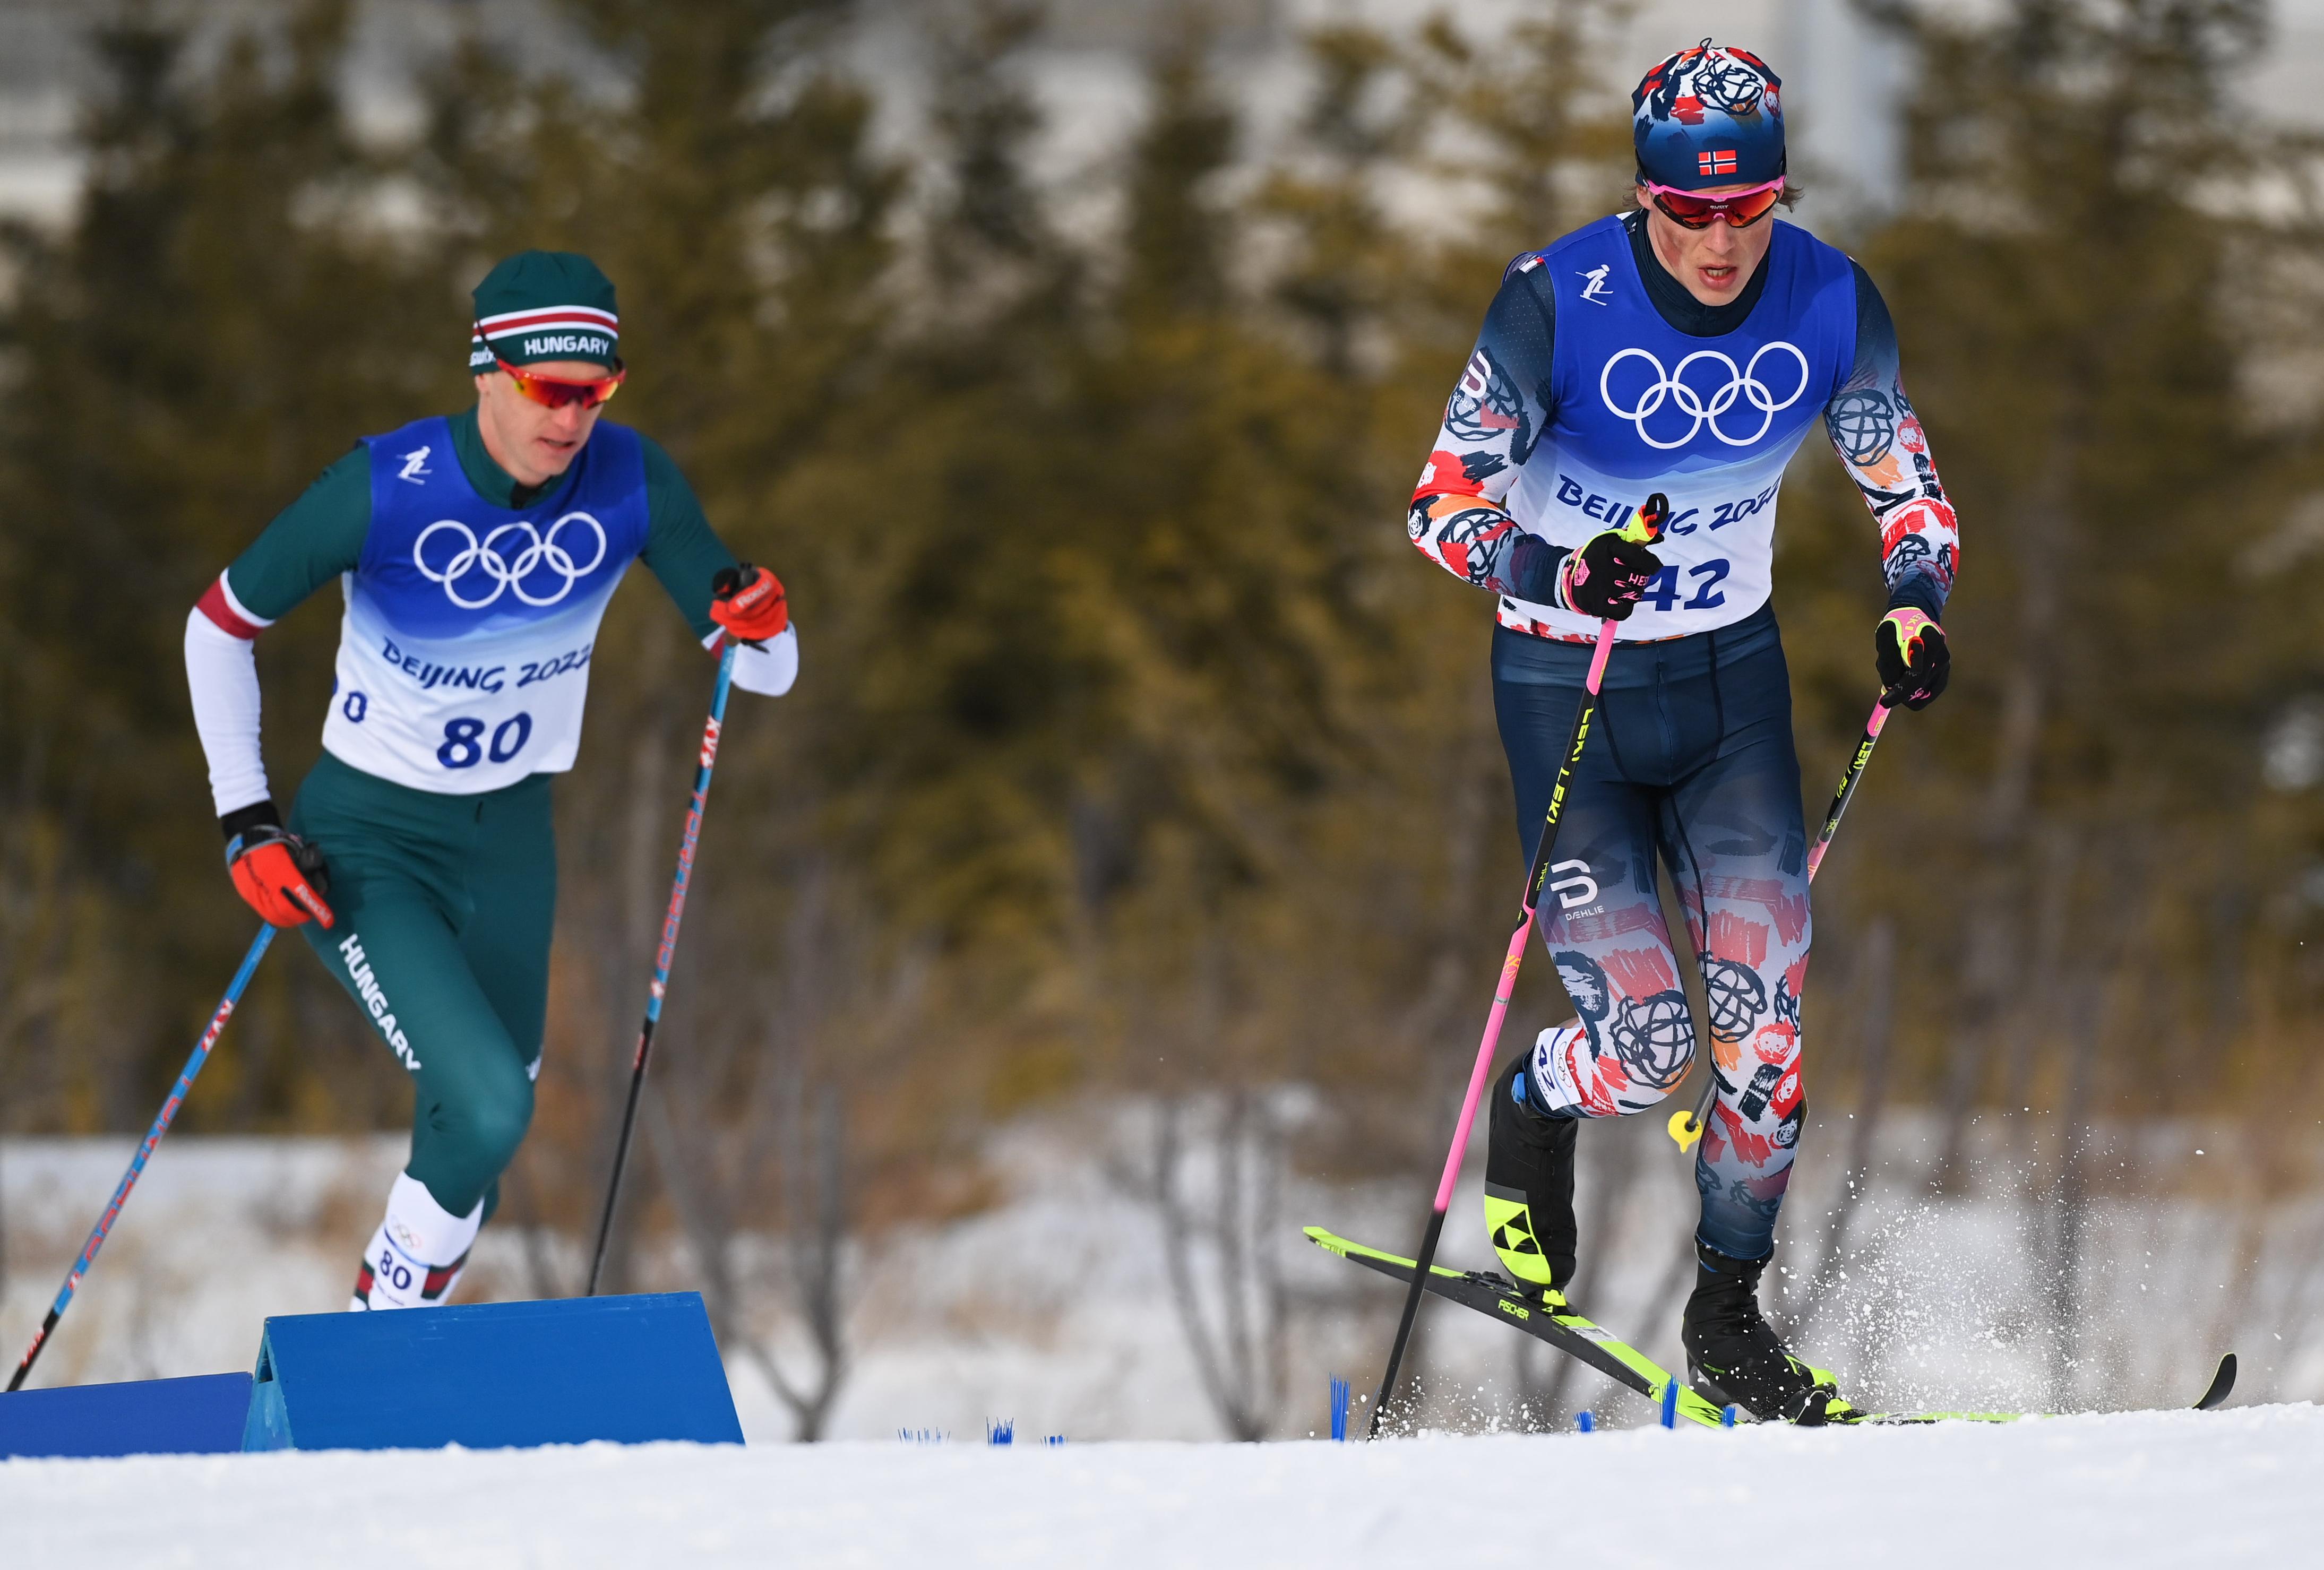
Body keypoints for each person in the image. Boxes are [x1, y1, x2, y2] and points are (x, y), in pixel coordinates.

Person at [1406, 42, 1956, 1422]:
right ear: (1643, 196)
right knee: (1647, 1047)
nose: (1720, 242)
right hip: (1569, 691)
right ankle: (1539, 1104)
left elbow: (1907, 481)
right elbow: (1439, 504)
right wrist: (1553, 571)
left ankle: (1726, 1311)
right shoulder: (1554, 302)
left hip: (1729, 694)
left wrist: (1914, 600)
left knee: (1765, 1044)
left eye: (1748, 208)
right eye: (1689, 212)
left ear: (1779, 193)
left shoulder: (1828, 296)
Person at [182, 251, 797, 1310]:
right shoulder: (384, 487)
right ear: (486, 371)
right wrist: (246, 818)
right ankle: (383, 1324)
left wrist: (764, 620)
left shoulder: (632, 480)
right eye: (548, 392)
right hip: (367, 841)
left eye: (594, 394)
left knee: (481, 1127)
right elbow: (217, 627)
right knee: (483, 1110)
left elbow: (766, 672)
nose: (571, 421)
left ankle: (393, 1337)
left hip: (513, 840)